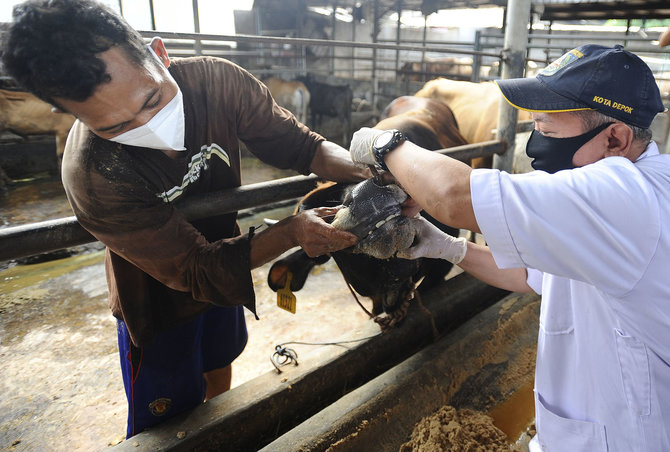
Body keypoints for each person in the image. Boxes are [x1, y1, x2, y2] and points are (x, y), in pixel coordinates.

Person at [2, 0, 369, 438]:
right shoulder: (92, 174)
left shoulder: (218, 81)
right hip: (157, 303)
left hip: (232, 265)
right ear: (71, 116)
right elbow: (195, 268)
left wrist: (372, 167)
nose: (149, 126)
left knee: (220, 366)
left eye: (153, 99)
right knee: (167, 423)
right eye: (116, 127)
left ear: (160, 53)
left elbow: (301, 146)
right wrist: (290, 231)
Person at [350, 44, 669, 451]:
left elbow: (453, 196)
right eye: (533, 127)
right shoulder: (617, 205)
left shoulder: (624, 196)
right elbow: (531, 277)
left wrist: (383, 144)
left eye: (548, 131)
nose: (535, 145)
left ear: (615, 139)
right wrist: (447, 247)